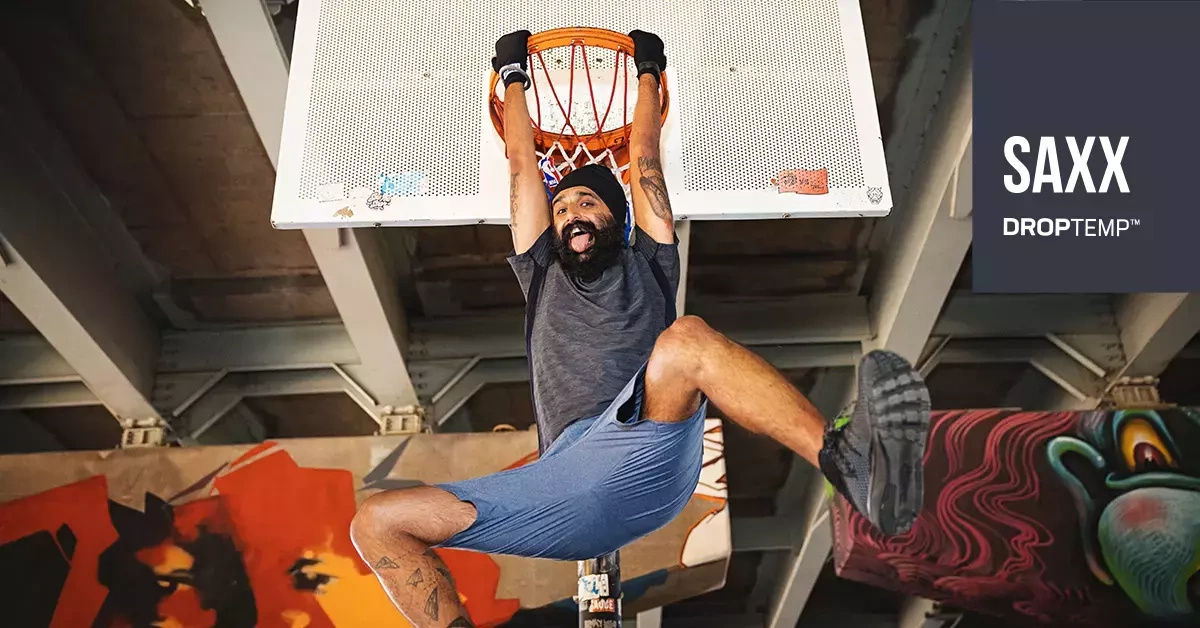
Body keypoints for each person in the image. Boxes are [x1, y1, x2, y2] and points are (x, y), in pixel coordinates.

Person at [349, 29, 932, 628]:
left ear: (617, 215)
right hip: (567, 489)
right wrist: (513, 77)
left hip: (649, 452)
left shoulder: (649, 263)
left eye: (587, 203)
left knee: (687, 341)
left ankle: (849, 463)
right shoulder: (542, 273)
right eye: (562, 208)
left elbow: (645, 158)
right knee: (376, 523)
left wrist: (648, 72)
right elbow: (522, 165)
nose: (571, 214)